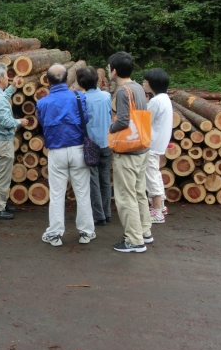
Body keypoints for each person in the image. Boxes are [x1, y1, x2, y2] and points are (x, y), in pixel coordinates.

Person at [36, 64, 96, 247]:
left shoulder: (42, 102)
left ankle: (54, 234)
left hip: (56, 151)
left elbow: (42, 125)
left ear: (47, 81)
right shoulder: (79, 97)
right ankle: (86, 232)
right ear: (67, 79)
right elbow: (85, 119)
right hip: (78, 148)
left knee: (56, 194)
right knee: (82, 193)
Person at [107, 51, 153, 253]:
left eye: (109, 68)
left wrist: (110, 128)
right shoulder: (137, 88)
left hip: (128, 151)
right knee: (138, 192)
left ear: (114, 71)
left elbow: (123, 121)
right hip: (142, 148)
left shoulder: (123, 91)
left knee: (126, 196)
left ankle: (134, 241)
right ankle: (144, 231)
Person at [0, 63, 28, 220]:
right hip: (3, 142)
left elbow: (2, 99)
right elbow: (6, 121)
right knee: (2, 176)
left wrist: (13, 87)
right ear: (0, 78)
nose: (9, 77)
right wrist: (19, 122)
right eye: (7, 75)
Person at [76, 66, 113, 226]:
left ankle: (98, 215)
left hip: (90, 144)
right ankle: (107, 212)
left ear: (80, 83)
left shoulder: (82, 99)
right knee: (105, 178)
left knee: (93, 180)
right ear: (97, 79)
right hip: (107, 142)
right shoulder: (106, 96)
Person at [142, 68, 173, 223]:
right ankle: (161, 205)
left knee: (151, 175)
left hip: (151, 143)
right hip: (159, 142)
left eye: (145, 82)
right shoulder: (165, 98)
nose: (143, 84)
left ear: (152, 84)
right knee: (156, 173)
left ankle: (157, 211)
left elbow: (145, 120)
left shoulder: (155, 101)